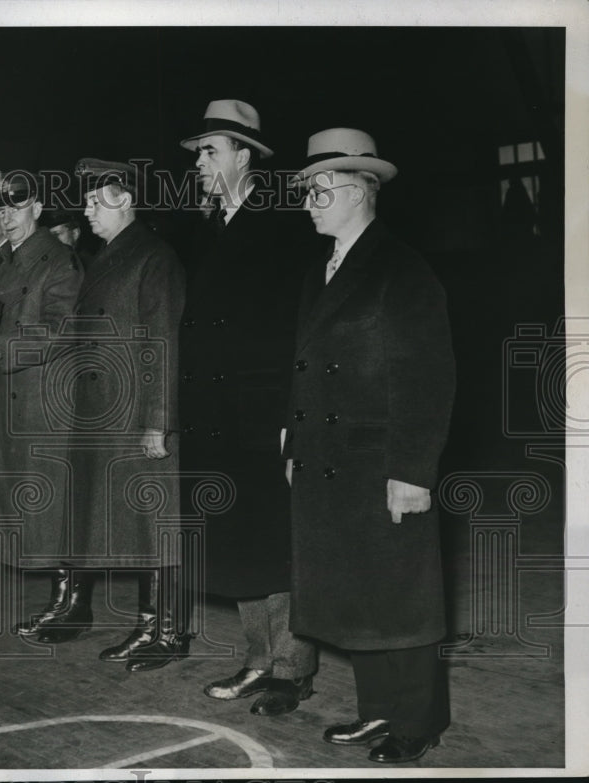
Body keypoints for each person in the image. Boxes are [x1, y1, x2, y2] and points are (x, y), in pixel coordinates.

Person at [286, 129, 455, 763]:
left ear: (360, 190)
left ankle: (418, 720)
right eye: (306, 190)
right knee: (356, 591)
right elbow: (305, 365)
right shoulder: (321, 268)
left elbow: (429, 378)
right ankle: (376, 710)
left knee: (400, 595)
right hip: (328, 461)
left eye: (318, 190)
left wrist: (412, 469)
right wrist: (292, 439)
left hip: (381, 461)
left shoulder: (403, 268)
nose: (307, 202)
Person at [177, 99, 317, 715]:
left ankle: (290, 669)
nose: (200, 164)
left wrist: (293, 416)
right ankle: (258, 659)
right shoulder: (210, 227)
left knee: (275, 539)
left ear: (245, 155)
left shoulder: (285, 226)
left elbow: (300, 329)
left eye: (210, 151)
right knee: (239, 541)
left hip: (264, 414)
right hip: (216, 416)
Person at [30, 158, 189, 672]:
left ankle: (164, 632)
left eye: (98, 202)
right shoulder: (107, 255)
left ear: (127, 201)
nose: (87, 211)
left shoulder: (153, 257)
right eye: (88, 201)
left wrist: (158, 420)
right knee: (126, 524)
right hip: (103, 412)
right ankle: (145, 626)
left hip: (137, 413)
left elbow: (162, 339)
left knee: (152, 522)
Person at [0, 173, 84, 632]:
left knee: (55, 504)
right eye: (0, 210)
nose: (6, 217)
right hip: (7, 396)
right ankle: (63, 599)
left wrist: (1, 350)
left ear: (38, 206)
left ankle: (71, 606)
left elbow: (59, 329)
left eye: (15, 207)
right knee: (30, 505)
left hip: (44, 400)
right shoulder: (0, 259)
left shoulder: (59, 259)